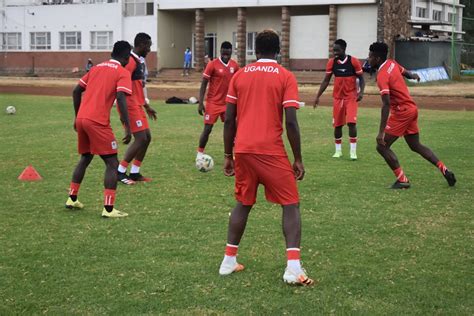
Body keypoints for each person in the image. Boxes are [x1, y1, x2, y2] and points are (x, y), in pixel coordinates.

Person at [220, 30, 315, 286]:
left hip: (243, 150)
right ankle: (293, 268)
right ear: (279, 50)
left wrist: (228, 155)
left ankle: (228, 261)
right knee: (291, 203)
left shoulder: (239, 75)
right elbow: (291, 122)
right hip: (270, 150)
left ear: (255, 50)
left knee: (243, 202)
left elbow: (229, 119)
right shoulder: (285, 76)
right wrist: (298, 158)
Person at [367, 42, 456, 189]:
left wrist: (381, 132)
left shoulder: (382, 75)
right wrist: (414, 76)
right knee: (415, 145)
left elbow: (386, 104)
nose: (368, 59)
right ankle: (445, 170)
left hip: (402, 112)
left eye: (370, 56)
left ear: (376, 58)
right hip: (411, 108)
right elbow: (405, 72)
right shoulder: (391, 63)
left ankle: (402, 180)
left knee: (381, 146)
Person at [65, 41, 133, 218]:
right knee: (112, 163)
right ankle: (108, 209)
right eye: (129, 58)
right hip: (97, 122)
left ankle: (72, 198)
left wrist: (77, 116)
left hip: (82, 119)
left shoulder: (95, 68)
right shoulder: (122, 72)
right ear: (126, 57)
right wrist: (127, 126)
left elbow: (75, 91)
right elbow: (121, 97)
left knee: (85, 157)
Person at [313, 39, 365, 160]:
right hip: (338, 98)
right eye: (333, 50)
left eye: (337, 50)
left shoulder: (354, 61)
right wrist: (317, 96)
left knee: (351, 123)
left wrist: (361, 92)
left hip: (351, 97)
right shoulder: (332, 62)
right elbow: (326, 80)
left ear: (344, 49)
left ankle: (353, 152)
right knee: (337, 125)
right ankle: (338, 151)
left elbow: (361, 79)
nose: (335, 52)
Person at [117, 33, 157, 184]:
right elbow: (120, 88)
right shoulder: (130, 62)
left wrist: (147, 106)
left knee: (147, 138)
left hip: (138, 105)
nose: (149, 49)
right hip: (130, 105)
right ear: (141, 45)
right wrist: (124, 116)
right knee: (140, 138)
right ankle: (120, 171)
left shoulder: (138, 61)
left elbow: (137, 88)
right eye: (148, 46)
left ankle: (134, 172)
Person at [196, 41, 239, 161]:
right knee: (208, 129)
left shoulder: (234, 66)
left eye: (228, 51)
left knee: (233, 128)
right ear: (220, 51)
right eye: (223, 51)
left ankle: (234, 154)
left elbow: (238, 83)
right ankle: (199, 154)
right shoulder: (212, 64)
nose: (226, 54)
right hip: (213, 103)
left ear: (231, 51)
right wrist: (200, 102)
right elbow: (204, 83)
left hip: (228, 104)